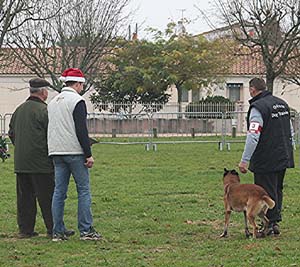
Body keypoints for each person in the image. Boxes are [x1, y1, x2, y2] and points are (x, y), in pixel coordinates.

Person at [47, 68, 101, 241]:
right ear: (77, 83)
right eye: (81, 85)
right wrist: (88, 153)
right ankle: (86, 230)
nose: (82, 88)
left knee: (59, 192)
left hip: (56, 151)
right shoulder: (77, 101)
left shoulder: (53, 102)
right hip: (74, 151)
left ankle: (58, 231)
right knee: (83, 190)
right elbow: (81, 129)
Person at [238, 77, 294, 236]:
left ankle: (268, 224)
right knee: (277, 189)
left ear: (252, 90)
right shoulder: (282, 104)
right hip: (283, 155)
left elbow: (253, 135)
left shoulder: (258, 108)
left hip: (266, 157)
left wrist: (245, 160)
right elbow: (289, 129)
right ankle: (275, 221)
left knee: (264, 192)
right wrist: (291, 148)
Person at [8, 78, 57, 238]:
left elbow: (12, 133)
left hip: (21, 162)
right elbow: (51, 135)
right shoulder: (45, 111)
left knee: (25, 198)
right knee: (47, 196)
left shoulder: (18, 110)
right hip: (41, 162)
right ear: (43, 92)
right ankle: (53, 228)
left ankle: (25, 230)